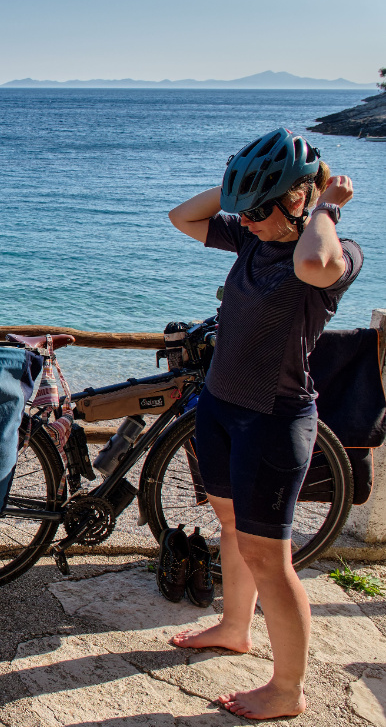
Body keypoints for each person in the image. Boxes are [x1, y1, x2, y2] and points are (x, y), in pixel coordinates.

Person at [166, 128, 361, 719]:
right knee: (229, 528)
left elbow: (315, 261)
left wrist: (324, 203)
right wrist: (240, 195)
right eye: (242, 210)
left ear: (298, 201)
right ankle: (233, 627)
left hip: (274, 422)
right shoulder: (251, 237)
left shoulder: (337, 250)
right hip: (221, 407)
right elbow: (183, 216)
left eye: (257, 209)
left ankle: (286, 691)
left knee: (269, 559)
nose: (244, 220)